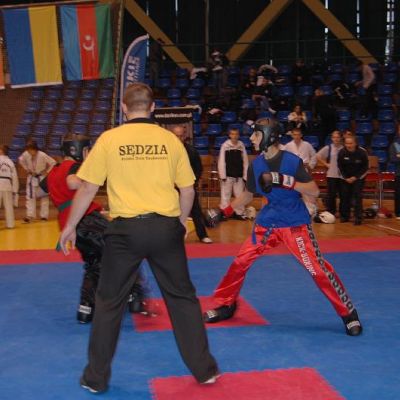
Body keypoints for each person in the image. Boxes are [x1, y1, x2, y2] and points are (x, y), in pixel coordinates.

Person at [59, 83, 218, 394]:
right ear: (153, 107)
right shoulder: (170, 140)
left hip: (124, 232)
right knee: (182, 299)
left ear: (123, 107)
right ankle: (205, 371)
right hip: (164, 229)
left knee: (109, 302)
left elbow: (88, 188)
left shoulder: (109, 139)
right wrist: (180, 222)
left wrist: (70, 226)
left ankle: (95, 378)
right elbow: (187, 190)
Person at [203, 118, 363, 337]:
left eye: (256, 134)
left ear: (269, 136)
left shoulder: (292, 161)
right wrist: (224, 212)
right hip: (267, 223)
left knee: (317, 269)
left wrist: (286, 181)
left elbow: (314, 191)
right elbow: (248, 195)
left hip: (294, 224)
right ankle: (226, 304)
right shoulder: (256, 164)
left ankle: (348, 313)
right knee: (240, 262)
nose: (251, 138)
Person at [38, 134, 146, 323]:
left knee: (94, 263)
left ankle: (85, 308)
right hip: (86, 219)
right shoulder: (74, 167)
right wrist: (90, 178)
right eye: (87, 150)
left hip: (70, 225)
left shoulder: (54, 171)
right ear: (77, 150)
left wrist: (57, 188)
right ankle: (134, 296)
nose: (88, 155)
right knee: (125, 248)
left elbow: (39, 191)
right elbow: (72, 181)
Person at [171, 125, 212, 243]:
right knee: (169, 213)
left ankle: (203, 235)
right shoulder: (166, 151)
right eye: (176, 136)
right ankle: (170, 238)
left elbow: (198, 169)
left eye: (181, 136)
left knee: (196, 211)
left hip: (187, 187)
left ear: (184, 136)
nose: (179, 138)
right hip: (171, 188)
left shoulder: (191, 151)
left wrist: (191, 183)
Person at [18, 140, 56, 222]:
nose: (29, 152)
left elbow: (53, 162)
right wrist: (27, 169)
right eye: (28, 150)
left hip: (41, 177)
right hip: (31, 177)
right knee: (30, 197)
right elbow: (20, 160)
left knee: (44, 197)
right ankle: (30, 215)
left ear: (35, 149)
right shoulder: (26, 154)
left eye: (31, 150)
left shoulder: (42, 155)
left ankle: (44, 216)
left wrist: (47, 171)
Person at [218, 127, 249, 219]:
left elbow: (245, 161)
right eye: (232, 134)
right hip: (227, 175)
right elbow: (221, 161)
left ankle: (239, 213)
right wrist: (222, 175)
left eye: (236, 134)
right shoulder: (225, 145)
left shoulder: (241, 145)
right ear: (229, 135)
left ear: (238, 135)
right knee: (225, 195)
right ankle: (225, 213)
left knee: (239, 195)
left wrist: (245, 175)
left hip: (238, 175)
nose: (234, 136)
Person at [337, 135, 369, 225]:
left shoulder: (362, 152)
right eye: (347, 143)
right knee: (344, 197)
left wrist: (355, 177)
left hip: (358, 178)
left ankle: (358, 217)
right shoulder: (341, 152)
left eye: (351, 143)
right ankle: (344, 216)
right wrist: (346, 178)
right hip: (345, 178)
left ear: (355, 143)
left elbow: (365, 167)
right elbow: (340, 167)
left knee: (357, 197)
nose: (349, 145)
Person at [316, 131, 343, 216]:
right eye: (334, 137)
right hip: (331, 175)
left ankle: (342, 212)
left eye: (337, 137)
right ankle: (331, 212)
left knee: (343, 195)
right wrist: (326, 164)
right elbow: (318, 156)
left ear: (340, 138)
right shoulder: (328, 148)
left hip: (343, 176)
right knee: (331, 195)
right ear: (332, 138)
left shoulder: (344, 148)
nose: (336, 139)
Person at [0, 144, 19, 229]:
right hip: (7, 184)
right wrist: (15, 190)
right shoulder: (10, 162)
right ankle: (10, 224)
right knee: (8, 206)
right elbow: (15, 177)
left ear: (1, 151)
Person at [389, 128, 400, 219]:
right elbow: (393, 159)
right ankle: (398, 213)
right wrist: (397, 157)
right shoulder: (395, 145)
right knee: (398, 194)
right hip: (399, 173)